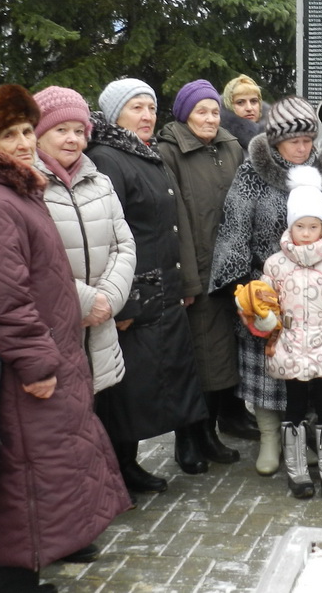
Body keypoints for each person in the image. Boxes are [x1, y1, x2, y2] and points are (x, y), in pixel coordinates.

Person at [0, 84, 128, 591]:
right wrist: (35, 363)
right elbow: (5, 295)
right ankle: (5, 583)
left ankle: (22, 579)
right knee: (27, 482)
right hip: (34, 368)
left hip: (58, 353)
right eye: (8, 133)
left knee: (48, 477)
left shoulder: (17, 191)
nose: (23, 142)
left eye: (27, 130)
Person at [86, 79, 209, 492]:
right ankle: (120, 466)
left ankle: (130, 463)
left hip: (163, 287)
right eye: (136, 108)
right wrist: (122, 303)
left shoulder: (144, 154)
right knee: (128, 389)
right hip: (133, 294)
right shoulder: (107, 157)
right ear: (115, 113)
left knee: (155, 380)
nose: (146, 116)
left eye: (151, 108)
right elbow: (106, 234)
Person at [209, 95, 322, 475]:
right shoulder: (253, 173)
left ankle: (297, 436)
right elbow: (234, 227)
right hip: (265, 288)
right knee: (267, 371)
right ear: (276, 140)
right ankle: (269, 437)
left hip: (312, 292)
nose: (302, 147)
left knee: (307, 368)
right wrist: (244, 287)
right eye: (294, 140)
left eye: (308, 139)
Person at [244, 165, 322, 499]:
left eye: (313, 226)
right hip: (289, 346)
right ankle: (298, 471)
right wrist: (261, 319)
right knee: (295, 407)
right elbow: (264, 303)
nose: (306, 232)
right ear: (290, 226)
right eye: (300, 226)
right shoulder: (276, 265)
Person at [158, 78, 255, 469]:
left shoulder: (231, 146)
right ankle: (189, 439)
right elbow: (175, 218)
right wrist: (188, 280)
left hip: (231, 272)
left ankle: (211, 431)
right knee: (197, 362)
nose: (211, 118)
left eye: (215, 110)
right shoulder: (170, 152)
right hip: (197, 273)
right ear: (184, 114)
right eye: (202, 111)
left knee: (222, 360)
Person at [32, 86, 135, 402]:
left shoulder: (100, 182)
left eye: (79, 130)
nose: (72, 139)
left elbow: (124, 245)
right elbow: (32, 264)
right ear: (37, 134)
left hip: (101, 332)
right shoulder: (27, 186)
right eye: (60, 129)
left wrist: (107, 300)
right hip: (56, 334)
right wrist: (85, 302)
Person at [222, 74, 265, 150]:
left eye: (254, 101)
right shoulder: (222, 144)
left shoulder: (279, 138)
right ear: (229, 106)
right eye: (240, 102)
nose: (249, 108)